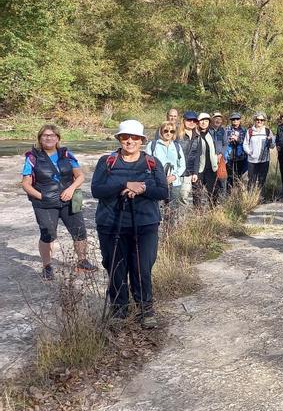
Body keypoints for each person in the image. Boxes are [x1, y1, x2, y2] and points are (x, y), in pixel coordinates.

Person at [91, 120, 169, 329]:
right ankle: (119, 312)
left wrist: (142, 188)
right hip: (111, 224)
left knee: (142, 268)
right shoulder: (107, 161)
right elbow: (96, 190)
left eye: (135, 137)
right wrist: (124, 184)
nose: (130, 141)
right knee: (115, 268)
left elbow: (163, 192)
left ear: (142, 140)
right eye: (125, 137)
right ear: (119, 138)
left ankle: (146, 310)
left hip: (145, 224)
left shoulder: (152, 163)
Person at [21, 124, 95, 280]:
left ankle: (82, 261)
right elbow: (26, 184)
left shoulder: (66, 154)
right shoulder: (33, 157)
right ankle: (47, 266)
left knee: (80, 231)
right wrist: (42, 197)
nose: (49, 138)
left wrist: (71, 189)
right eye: (45, 135)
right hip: (45, 203)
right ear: (40, 138)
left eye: (52, 135)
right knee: (48, 234)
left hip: (71, 198)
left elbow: (80, 176)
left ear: (58, 138)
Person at [146, 121, 186, 210]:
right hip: (157, 184)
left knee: (173, 211)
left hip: (175, 184)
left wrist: (174, 176)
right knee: (157, 210)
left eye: (172, 131)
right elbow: (146, 165)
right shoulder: (152, 145)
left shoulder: (177, 146)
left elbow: (182, 165)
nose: (168, 133)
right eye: (166, 131)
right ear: (161, 131)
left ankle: (171, 225)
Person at [244, 112, 275, 190]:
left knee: (262, 179)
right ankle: (250, 197)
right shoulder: (250, 131)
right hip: (252, 160)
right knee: (251, 180)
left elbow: (272, 146)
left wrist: (271, 141)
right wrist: (250, 152)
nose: (259, 121)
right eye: (257, 119)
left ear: (264, 121)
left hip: (264, 160)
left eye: (261, 120)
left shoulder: (267, 131)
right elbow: (245, 144)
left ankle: (260, 196)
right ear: (254, 120)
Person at [178, 111, 203, 206]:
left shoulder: (198, 137)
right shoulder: (177, 135)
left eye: (194, 120)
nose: (191, 122)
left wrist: (195, 173)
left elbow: (198, 156)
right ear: (183, 121)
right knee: (172, 198)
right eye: (189, 120)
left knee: (183, 197)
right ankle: (171, 219)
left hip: (188, 172)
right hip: (176, 171)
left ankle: (182, 220)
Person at [196, 113, 219, 205]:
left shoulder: (210, 134)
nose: (204, 123)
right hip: (199, 169)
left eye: (206, 121)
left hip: (211, 168)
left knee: (213, 192)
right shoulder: (195, 135)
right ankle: (198, 214)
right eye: (202, 120)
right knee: (198, 194)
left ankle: (213, 212)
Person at [225, 112, 247, 186]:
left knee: (239, 175)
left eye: (237, 119)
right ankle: (229, 192)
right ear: (231, 120)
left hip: (241, 157)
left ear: (240, 120)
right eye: (233, 119)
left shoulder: (244, 130)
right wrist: (230, 140)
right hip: (229, 157)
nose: (235, 121)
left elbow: (245, 142)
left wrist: (237, 139)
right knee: (230, 175)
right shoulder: (227, 129)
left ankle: (238, 191)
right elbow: (224, 141)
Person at [209, 112, 227, 199]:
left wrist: (220, 154)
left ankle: (223, 199)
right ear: (212, 120)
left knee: (222, 179)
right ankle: (213, 200)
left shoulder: (222, 130)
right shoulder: (208, 130)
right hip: (210, 158)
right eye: (216, 118)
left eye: (220, 119)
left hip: (220, 158)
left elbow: (225, 144)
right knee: (212, 180)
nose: (218, 120)